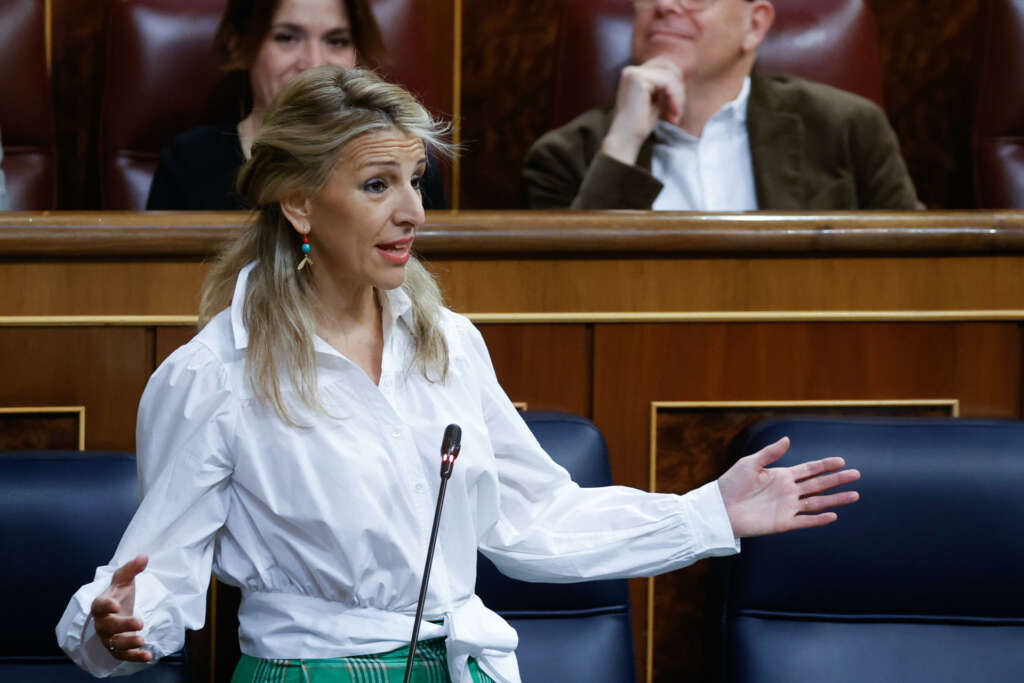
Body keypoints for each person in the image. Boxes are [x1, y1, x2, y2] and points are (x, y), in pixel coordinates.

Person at [58, 67, 860, 683]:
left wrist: (706, 511)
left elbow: (531, 519)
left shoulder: (447, 343)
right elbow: (150, 581)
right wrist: (111, 628)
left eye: (414, 180)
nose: (413, 210)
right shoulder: (212, 377)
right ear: (300, 204)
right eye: (377, 185)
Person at [523, 0, 920, 211]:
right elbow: (569, 294)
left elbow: (914, 270)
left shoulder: (846, 129)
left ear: (755, 25)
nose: (664, 5)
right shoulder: (566, 156)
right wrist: (622, 144)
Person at [146, 0, 447, 211]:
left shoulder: (407, 162)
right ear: (240, 45)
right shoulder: (187, 163)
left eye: (337, 40)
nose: (314, 64)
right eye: (287, 38)